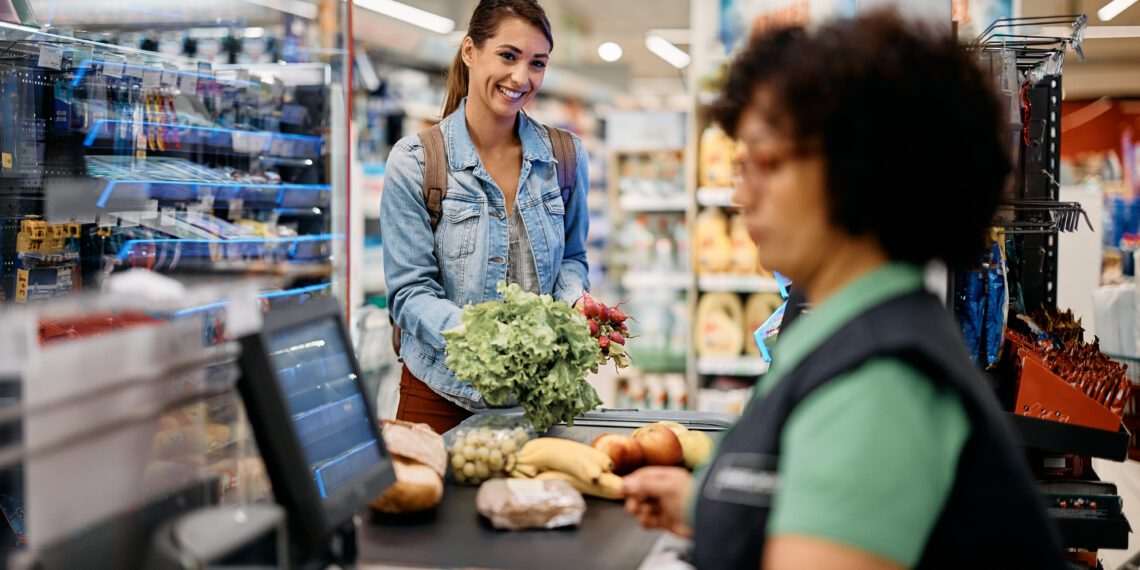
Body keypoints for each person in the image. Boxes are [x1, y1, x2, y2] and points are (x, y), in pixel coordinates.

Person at [622, 11, 1066, 570]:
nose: (741, 196)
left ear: (857, 169)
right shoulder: (857, 330)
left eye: (767, 161)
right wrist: (707, 506)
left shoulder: (881, 383)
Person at [381, 0, 589, 435]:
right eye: (508, 56)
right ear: (470, 52)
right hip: (438, 395)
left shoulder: (565, 157)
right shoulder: (418, 161)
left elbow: (573, 258)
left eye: (537, 63)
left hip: (537, 397)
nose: (521, 77)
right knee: (436, 504)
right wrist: (487, 339)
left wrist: (573, 308)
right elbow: (409, 291)